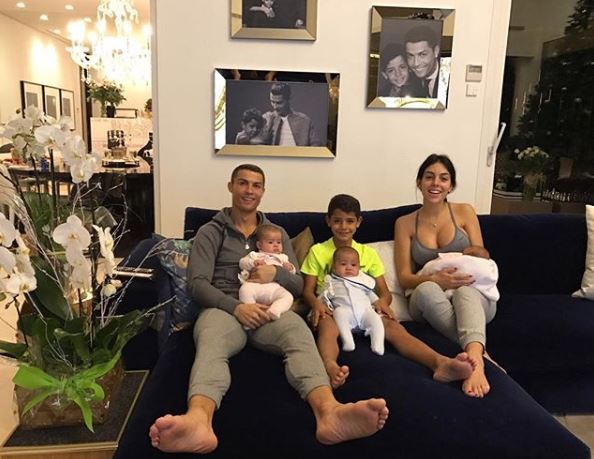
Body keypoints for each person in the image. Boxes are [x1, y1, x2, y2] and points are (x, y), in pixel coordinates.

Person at [149, 165, 389, 454]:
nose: (249, 190)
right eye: (243, 183)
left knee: (299, 334)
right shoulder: (211, 231)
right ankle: (198, 420)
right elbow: (197, 284)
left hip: (272, 309)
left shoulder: (276, 233)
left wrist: (276, 274)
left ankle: (330, 413)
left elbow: (298, 284)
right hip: (223, 308)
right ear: (231, 186)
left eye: (256, 185)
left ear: (263, 191)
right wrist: (237, 307)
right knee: (210, 342)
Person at [301, 194, 475, 389]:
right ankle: (330, 367)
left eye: (349, 221)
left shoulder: (368, 254)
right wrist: (317, 305)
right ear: (328, 221)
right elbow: (307, 291)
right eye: (337, 221)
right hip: (331, 308)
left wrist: (382, 303)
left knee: (395, 328)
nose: (343, 226)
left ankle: (440, 363)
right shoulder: (317, 251)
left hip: (364, 308)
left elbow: (384, 293)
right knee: (326, 327)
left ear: (358, 222)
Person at [394, 154, 498, 398]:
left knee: (465, 292)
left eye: (443, 178)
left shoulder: (464, 212)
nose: (435, 183)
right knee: (425, 290)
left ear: (451, 185)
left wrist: (474, 256)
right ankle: (479, 352)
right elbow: (405, 277)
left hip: (474, 297)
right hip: (429, 300)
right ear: (419, 182)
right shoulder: (404, 223)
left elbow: (481, 257)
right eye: (429, 177)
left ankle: (474, 360)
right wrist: (436, 280)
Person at [320, 246, 385, 355]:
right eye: (343, 264)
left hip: (365, 313)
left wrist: (379, 304)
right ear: (334, 267)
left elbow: (370, 294)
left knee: (376, 319)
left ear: (359, 267)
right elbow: (323, 297)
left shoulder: (362, 282)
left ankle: (378, 344)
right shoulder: (331, 283)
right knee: (338, 313)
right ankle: (348, 341)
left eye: (353, 265)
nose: (349, 268)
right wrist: (321, 305)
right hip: (346, 313)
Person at [238, 223, 296, 320]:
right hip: (254, 286)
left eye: (279, 242)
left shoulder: (283, 258)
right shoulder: (255, 255)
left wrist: (290, 268)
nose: (276, 245)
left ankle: (274, 310)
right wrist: (253, 263)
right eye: (270, 242)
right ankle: (252, 313)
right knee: (244, 290)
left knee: (288, 297)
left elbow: (292, 274)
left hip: (274, 289)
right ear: (259, 245)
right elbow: (242, 263)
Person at [261, 82, 322, 147]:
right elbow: (257, 145)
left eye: (279, 103)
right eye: (272, 102)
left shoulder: (305, 121)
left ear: (288, 99)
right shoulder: (266, 119)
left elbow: (317, 145)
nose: (275, 107)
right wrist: (268, 127)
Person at [404, 26, 441, 98]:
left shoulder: (450, 78)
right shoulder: (408, 82)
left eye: (422, 54)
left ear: (436, 51)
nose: (416, 63)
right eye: (411, 56)